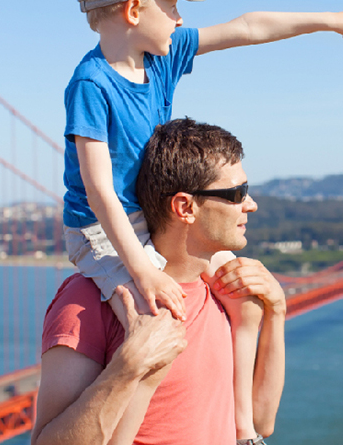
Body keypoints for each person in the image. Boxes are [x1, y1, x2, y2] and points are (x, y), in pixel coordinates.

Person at [62, 0, 343, 442]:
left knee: (239, 291)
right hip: (102, 234)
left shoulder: (161, 57)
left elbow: (248, 27)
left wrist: (331, 21)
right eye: (171, 5)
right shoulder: (91, 84)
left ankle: (244, 431)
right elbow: (99, 189)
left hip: (150, 221)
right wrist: (144, 274)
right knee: (152, 322)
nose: (177, 19)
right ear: (133, 8)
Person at [35, 119, 286, 445]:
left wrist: (277, 310)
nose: (250, 205)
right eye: (237, 194)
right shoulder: (88, 301)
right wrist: (128, 368)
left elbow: (260, 423)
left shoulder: (221, 292)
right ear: (185, 207)